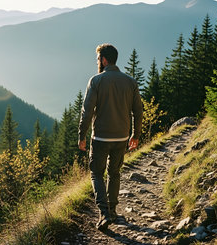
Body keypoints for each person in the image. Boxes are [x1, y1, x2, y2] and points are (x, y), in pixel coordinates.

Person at [78, 43, 143, 231]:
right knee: (114, 173)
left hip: (100, 139)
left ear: (104, 60)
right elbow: (138, 111)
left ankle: (104, 212)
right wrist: (135, 135)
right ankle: (112, 211)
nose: (97, 62)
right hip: (121, 138)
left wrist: (82, 135)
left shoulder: (96, 81)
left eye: (98, 58)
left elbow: (87, 111)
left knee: (96, 173)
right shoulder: (130, 82)